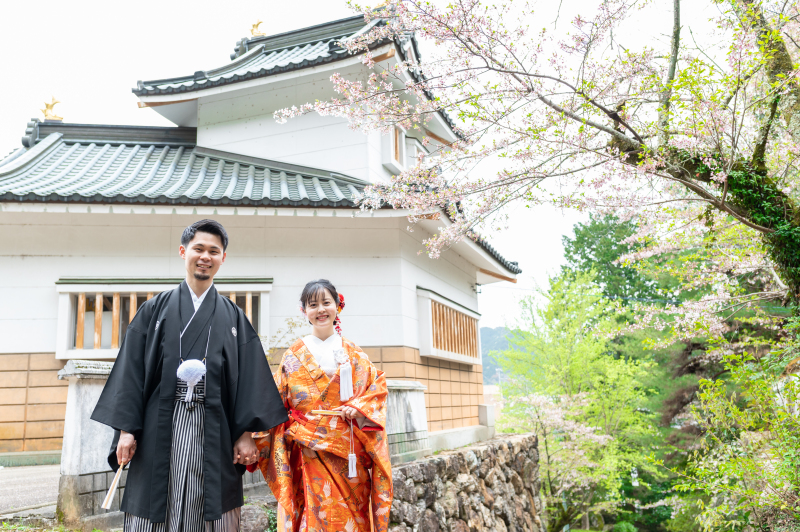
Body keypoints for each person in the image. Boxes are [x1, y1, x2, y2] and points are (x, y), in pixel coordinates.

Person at [91, 219, 288, 532]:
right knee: (155, 507)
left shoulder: (233, 316)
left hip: (216, 428)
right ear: (183, 252)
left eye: (214, 251)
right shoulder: (154, 310)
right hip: (158, 426)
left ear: (223, 259)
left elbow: (251, 378)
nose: (205, 256)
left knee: (211, 507)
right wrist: (126, 430)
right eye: (199, 249)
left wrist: (247, 433)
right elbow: (130, 372)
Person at [252, 279, 393, 532]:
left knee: (353, 514)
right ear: (303, 310)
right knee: (311, 514)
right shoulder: (293, 355)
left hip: (350, 451)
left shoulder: (355, 354)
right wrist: (251, 437)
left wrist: (359, 408)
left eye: (326, 303)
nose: (320, 310)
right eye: (313, 304)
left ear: (337, 306)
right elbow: (273, 401)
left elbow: (377, 389)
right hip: (307, 452)